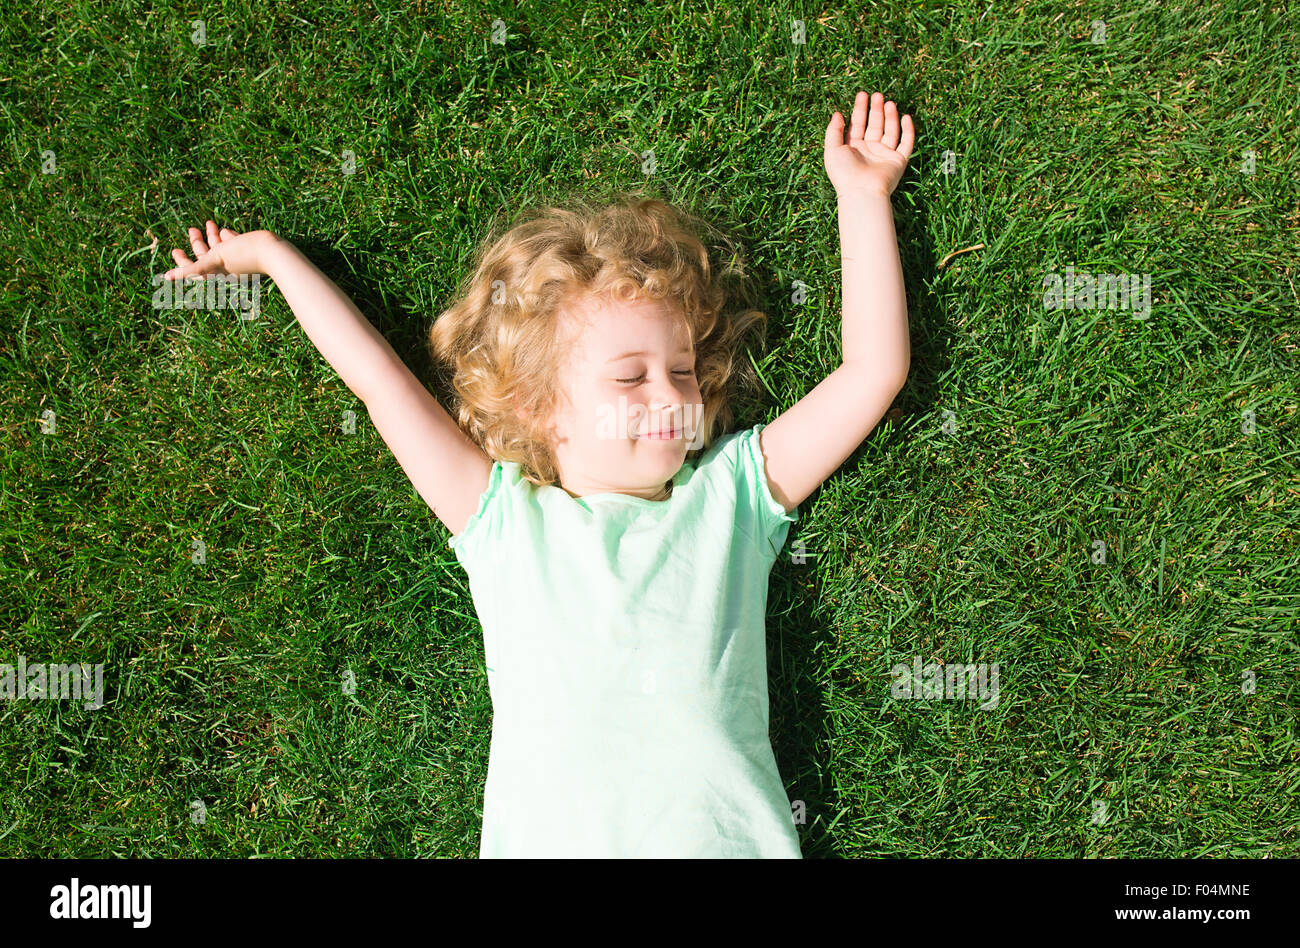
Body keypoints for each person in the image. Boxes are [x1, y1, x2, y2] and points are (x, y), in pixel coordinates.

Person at [163, 90, 915, 857]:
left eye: (683, 369)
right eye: (631, 378)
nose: (672, 394)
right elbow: (379, 383)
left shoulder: (733, 497)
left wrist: (861, 198)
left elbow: (870, 374)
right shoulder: (504, 524)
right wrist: (272, 257)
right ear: (540, 408)